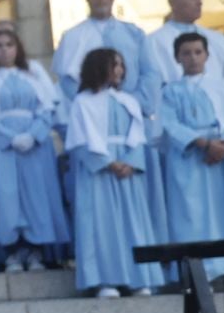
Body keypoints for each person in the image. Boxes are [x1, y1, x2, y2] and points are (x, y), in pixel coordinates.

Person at [55, 0, 168, 240]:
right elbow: (67, 80)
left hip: (133, 120)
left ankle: (151, 260)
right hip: (96, 126)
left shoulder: (134, 33)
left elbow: (150, 73)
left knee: (143, 195)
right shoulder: (73, 36)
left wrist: (132, 105)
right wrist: (97, 101)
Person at [161, 32, 224, 292]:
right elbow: (169, 125)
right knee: (194, 215)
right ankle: (200, 273)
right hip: (193, 160)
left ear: (207, 55)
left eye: (197, 52)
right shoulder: (170, 92)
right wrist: (202, 143)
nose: (193, 58)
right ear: (177, 58)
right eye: (186, 53)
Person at [0, 27, 70, 272]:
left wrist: (33, 135)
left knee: (37, 195)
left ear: (18, 49)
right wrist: (9, 138)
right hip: (2, 148)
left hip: (34, 147)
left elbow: (47, 110)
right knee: (5, 197)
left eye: (9, 45)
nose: (5, 50)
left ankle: (37, 250)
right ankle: (13, 251)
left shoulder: (32, 77)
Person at [68, 48, 162, 298]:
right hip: (100, 173)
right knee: (102, 223)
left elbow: (138, 137)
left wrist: (130, 162)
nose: (119, 70)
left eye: (121, 65)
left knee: (133, 223)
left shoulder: (129, 101)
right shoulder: (83, 102)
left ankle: (139, 278)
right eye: (114, 65)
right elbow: (79, 142)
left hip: (127, 171)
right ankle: (105, 279)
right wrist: (109, 163)